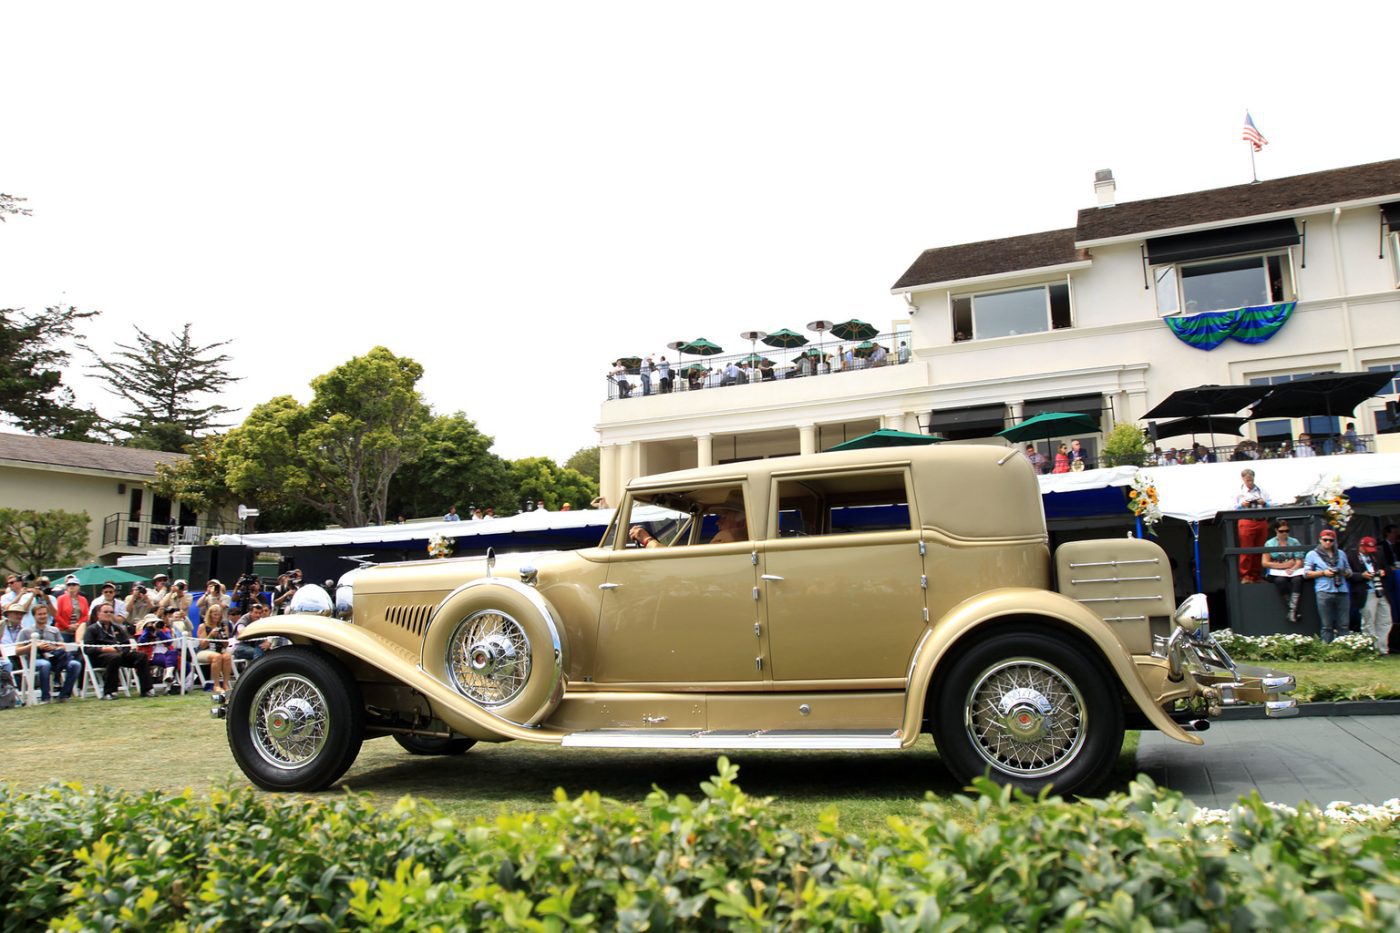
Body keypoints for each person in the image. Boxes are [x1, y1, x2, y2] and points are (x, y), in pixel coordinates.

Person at [82, 602, 155, 699]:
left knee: (141, 656)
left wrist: (122, 650)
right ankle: (109, 692)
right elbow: (87, 648)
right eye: (106, 612)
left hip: (119, 654)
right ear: (98, 614)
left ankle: (146, 690)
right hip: (100, 657)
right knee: (114, 657)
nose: (109, 614)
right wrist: (104, 649)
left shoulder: (116, 628)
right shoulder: (92, 629)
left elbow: (126, 643)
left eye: (111, 612)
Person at [19, 602, 81, 703]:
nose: (43, 616)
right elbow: (18, 650)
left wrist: (51, 647)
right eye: (39, 614)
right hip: (35, 660)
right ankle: (45, 698)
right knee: (45, 664)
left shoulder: (54, 630)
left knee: (75, 664)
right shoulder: (25, 631)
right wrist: (34, 646)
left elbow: (62, 646)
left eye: (44, 613)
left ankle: (64, 695)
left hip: (55, 658)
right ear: (34, 616)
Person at [1304, 528, 1352, 642]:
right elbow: (1306, 573)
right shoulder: (1312, 554)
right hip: (1324, 590)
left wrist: (1343, 572)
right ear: (1320, 540)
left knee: (1344, 624)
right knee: (1326, 625)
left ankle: (1344, 649)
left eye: (1331, 540)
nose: (1328, 542)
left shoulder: (1341, 553)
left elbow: (1349, 571)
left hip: (1342, 590)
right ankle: (1327, 650)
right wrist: (1323, 573)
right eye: (1325, 540)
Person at [1352, 537, 1391, 654]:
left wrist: (1384, 572)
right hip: (1366, 591)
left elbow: (1388, 569)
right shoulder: (1352, 557)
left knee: (1385, 619)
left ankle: (1383, 648)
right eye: (1367, 548)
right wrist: (1362, 575)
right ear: (1361, 546)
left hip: (1380, 590)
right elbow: (1348, 574)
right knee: (1369, 621)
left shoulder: (1377, 555)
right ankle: (1371, 649)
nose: (1370, 551)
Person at [1263, 518, 1306, 624]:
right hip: (1277, 571)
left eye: (1287, 531)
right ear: (1276, 531)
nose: (1284, 533)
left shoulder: (1294, 542)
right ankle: (1292, 609)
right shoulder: (1269, 543)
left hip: (1293, 570)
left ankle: (1292, 610)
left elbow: (1299, 560)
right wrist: (1283, 565)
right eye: (1282, 531)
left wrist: (1293, 568)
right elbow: (1265, 562)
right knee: (1280, 581)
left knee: (1297, 580)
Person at [1234, 469, 1270, 583]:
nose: (1250, 482)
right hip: (1246, 520)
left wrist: (1264, 503)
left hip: (1260, 520)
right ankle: (1245, 576)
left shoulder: (1261, 490)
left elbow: (1271, 504)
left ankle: (1256, 575)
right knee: (1247, 549)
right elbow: (1231, 507)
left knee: (1260, 549)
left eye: (1251, 480)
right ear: (1243, 479)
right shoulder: (1238, 492)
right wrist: (1242, 505)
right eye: (1247, 480)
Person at [196, 603, 235, 695]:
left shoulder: (223, 626)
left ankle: (225, 684)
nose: (217, 617)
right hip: (205, 651)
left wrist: (222, 637)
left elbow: (226, 645)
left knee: (227, 656)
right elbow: (202, 645)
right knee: (217, 657)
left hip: (219, 649)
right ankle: (216, 685)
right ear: (210, 615)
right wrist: (211, 635)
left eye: (219, 615)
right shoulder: (203, 626)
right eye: (215, 614)